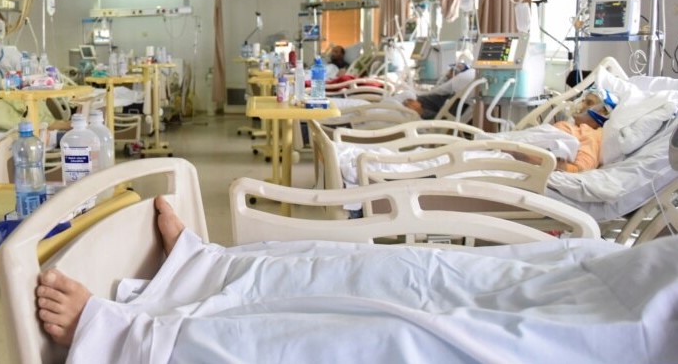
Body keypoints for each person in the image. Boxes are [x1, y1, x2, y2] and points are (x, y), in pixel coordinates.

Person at [36, 198, 678, 362]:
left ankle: (134, 343)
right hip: (633, 275)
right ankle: (207, 269)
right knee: (399, 270)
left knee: (399, 338)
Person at [401, 59, 476, 119]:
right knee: (407, 98)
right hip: (435, 108)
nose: (447, 75)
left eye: (451, 72)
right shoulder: (453, 93)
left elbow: (446, 122)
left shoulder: (462, 97)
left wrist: (421, 111)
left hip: (437, 121)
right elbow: (435, 96)